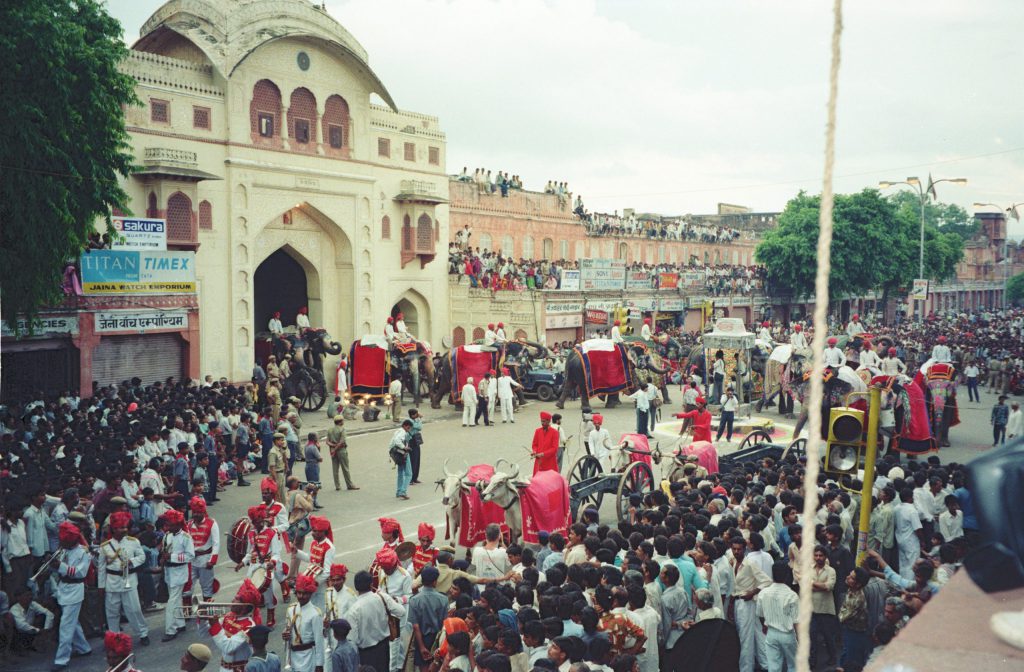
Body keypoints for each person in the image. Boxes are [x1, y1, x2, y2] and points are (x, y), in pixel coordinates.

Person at [98, 511, 150, 645]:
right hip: (112, 581)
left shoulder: (133, 542)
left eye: (125, 527)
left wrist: (132, 562)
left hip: (129, 578)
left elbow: (142, 557)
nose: (124, 530)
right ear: (113, 529)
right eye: (121, 528)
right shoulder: (105, 546)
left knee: (134, 609)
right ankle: (114, 637)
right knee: (112, 612)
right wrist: (101, 586)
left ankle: (143, 633)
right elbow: (101, 568)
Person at [52, 522, 93, 671]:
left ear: (72, 540)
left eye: (64, 540)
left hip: (75, 589)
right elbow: (59, 569)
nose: (61, 542)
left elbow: (80, 573)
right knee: (72, 622)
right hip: (63, 588)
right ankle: (84, 648)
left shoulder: (83, 552)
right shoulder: (64, 550)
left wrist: (60, 566)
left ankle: (61, 659)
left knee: (66, 625)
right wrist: (51, 563)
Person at [347, 570, 406, 672]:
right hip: (384, 648)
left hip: (365, 654)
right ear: (371, 584)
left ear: (356, 587)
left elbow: (352, 641)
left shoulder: (353, 610)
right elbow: (401, 611)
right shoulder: (382, 597)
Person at [730, 537, 771, 672]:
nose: (736, 552)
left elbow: (766, 581)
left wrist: (753, 592)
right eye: (734, 549)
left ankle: (746, 668)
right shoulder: (734, 563)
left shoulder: (749, 563)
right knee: (757, 634)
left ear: (744, 549)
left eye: (739, 549)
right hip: (739, 603)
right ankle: (767, 664)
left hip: (747, 603)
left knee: (745, 638)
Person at [240, 504, 284, 626]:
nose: (257, 524)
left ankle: (271, 614)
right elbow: (250, 552)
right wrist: (242, 562)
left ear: (263, 519)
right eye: (254, 522)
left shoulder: (272, 533)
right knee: (249, 592)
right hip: (253, 566)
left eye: (259, 521)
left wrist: (272, 562)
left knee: (268, 592)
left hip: (266, 566)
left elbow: (276, 553)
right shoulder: (251, 534)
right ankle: (253, 617)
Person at [755, 562, 799, 672]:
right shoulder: (791, 595)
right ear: (787, 575)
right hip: (787, 634)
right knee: (794, 665)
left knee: (773, 666)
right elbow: (796, 621)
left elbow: (760, 614)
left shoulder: (764, 593)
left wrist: (764, 626)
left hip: (771, 633)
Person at [162, 509, 196, 643]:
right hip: (169, 571)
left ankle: (170, 630)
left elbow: (190, 556)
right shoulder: (167, 536)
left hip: (180, 572)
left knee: (171, 602)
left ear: (177, 524)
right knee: (176, 599)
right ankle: (180, 624)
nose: (168, 526)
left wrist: (172, 557)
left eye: (170, 524)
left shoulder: (186, 537)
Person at [408, 565, 448, 672]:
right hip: (438, 638)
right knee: (437, 665)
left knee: (424, 667)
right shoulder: (443, 599)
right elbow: (445, 623)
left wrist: (421, 646)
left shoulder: (414, 600)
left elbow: (415, 626)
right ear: (435, 582)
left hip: (422, 638)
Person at [283, 574, 326, 672]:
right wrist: (285, 635)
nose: (301, 596)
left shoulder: (315, 614)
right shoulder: (291, 609)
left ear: (311, 594)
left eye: (305, 593)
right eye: (299, 593)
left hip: (308, 657)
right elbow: (288, 630)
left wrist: (319, 665)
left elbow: (319, 641)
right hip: (293, 657)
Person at [295, 516, 336, 611]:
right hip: (311, 581)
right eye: (313, 530)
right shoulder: (314, 543)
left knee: (319, 609)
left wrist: (315, 583)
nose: (312, 533)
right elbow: (310, 558)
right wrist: (297, 552)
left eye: (315, 531)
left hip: (321, 586)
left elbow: (327, 571)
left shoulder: (329, 547)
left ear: (323, 532)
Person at [187, 497, 220, 601]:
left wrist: (212, 560)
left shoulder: (212, 523)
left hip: (205, 561)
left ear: (203, 511)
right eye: (194, 512)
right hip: (192, 561)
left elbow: (216, 543)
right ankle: (187, 614)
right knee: (187, 588)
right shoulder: (189, 524)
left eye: (198, 512)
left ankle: (208, 616)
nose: (196, 514)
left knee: (207, 588)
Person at [10, 587, 55, 653]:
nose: (30, 597)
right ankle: (19, 648)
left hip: (32, 630)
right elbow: (21, 626)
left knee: (43, 616)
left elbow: (49, 614)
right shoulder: (14, 609)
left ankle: (36, 643)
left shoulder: (33, 604)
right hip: (20, 632)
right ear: (18, 597)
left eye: (31, 595)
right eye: (27, 595)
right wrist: (39, 631)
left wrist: (46, 629)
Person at [327, 415, 358, 491]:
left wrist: (333, 448)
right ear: (340, 422)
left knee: (335, 469)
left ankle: (337, 486)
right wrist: (336, 448)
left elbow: (327, 441)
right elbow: (341, 442)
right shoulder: (342, 430)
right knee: (345, 468)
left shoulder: (330, 430)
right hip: (341, 450)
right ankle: (349, 485)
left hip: (332, 450)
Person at [389, 419, 414, 500]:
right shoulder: (402, 432)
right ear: (405, 426)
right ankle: (403, 491)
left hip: (395, 453)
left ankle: (399, 491)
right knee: (409, 474)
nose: (408, 430)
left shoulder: (398, 431)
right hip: (402, 453)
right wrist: (404, 447)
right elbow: (397, 440)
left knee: (400, 472)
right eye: (408, 428)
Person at [304, 432, 324, 505]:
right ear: (314, 438)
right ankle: (313, 502)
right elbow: (320, 458)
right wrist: (319, 448)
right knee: (315, 485)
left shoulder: (306, 445)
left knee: (311, 485)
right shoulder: (313, 447)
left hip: (308, 466)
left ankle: (314, 502)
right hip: (313, 466)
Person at [407, 409, 424, 485]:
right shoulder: (409, 421)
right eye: (416, 414)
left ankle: (415, 478)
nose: (418, 415)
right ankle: (410, 479)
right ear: (412, 415)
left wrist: (418, 419)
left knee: (417, 460)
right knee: (413, 460)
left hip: (416, 440)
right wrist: (420, 419)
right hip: (411, 441)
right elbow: (419, 427)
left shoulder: (414, 420)